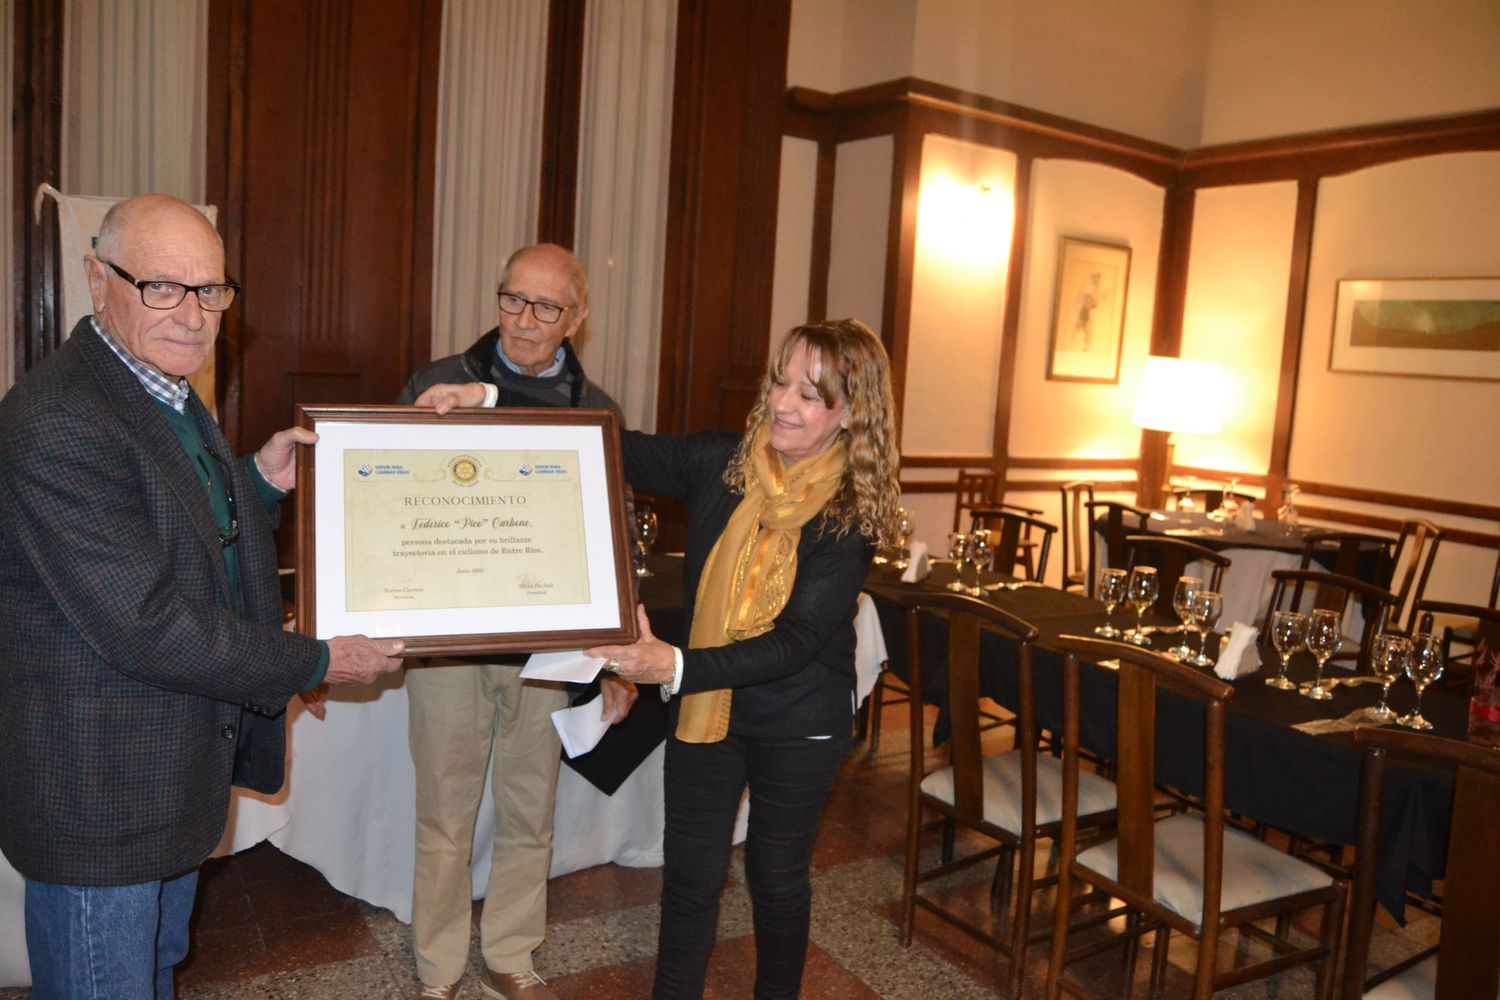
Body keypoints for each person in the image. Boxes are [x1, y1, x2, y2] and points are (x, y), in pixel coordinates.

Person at [0, 193, 405, 997]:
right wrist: (318, 658)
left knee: (152, 973)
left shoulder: (160, 386)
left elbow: (164, 527)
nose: (192, 315)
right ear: (96, 278)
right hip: (102, 796)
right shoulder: (58, 418)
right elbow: (145, 624)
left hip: (165, 774)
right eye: (163, 287)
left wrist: (256, 479)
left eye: (210, 290)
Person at [590, 318, 902, 998]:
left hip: (800, 721)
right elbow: (610, 446)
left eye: (811, 394)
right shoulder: (722, 463)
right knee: (691, 881)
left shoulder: (848, 516)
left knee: (776, 875)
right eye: (779, 381)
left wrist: (673, 667)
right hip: (710, 712)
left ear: (851, 412)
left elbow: (795, 643)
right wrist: (496, 401)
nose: (785, 404)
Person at [401, 243, 638, 1000]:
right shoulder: (438, 385)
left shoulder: (597, 408)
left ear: (578, 317)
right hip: (448, 645)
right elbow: (395, 500)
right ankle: (437, 967)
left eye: (545, 307)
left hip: (549, 648)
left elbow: (610, 529)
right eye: (512, 299)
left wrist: (617, 651)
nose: (523, 321)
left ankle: (510, 951)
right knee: (444, 811)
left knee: (530, 809)